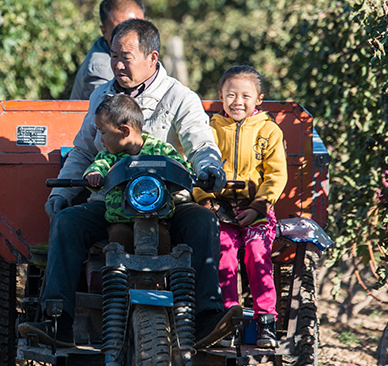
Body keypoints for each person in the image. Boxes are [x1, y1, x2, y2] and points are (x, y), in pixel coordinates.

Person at [18, 18, 235, 349]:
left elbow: (200, 142)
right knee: (67, 222)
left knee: (203, 221)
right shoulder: (101, 96)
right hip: (112, 202)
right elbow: (83, 150)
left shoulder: (180, 97)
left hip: (168, 204)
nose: (117, 64)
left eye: (126, 57)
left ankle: (205, 317)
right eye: (114, 55)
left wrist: (209, 167)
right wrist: (62, 191)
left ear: (152, 58)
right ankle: (58, 320)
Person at [194, 66, 288, 348]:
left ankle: (265, 322)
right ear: (219, 97)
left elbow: (276, 174)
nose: (237, 101)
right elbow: (196, 165)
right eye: (230, 94)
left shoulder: (269, 130)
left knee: (258, 255)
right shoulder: (210, 128)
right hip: (220, 209)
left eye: (246, 95)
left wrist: (259, 207)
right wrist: (205, 199)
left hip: (255, 209)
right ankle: (227, 321)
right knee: (223, 257)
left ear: (259, 99)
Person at [83, 92, 192, 255]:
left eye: (103, 132)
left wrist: (187, 175)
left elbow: (183, 169)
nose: (100, 140)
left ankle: (160, 279)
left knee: (162, 242)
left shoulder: (160, 150)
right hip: (120, 221)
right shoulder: (109, 156)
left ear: (124, 131)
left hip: (157, 219)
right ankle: (118, 278)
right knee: (118, 241)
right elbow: (99, 166)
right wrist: (94, 175)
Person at [69, 0, 145, 100]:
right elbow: (110, 113)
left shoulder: (144, 52)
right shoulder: (100, 69)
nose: (132, 36)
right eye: (121, 31)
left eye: (138, 27)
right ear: (104, 31)